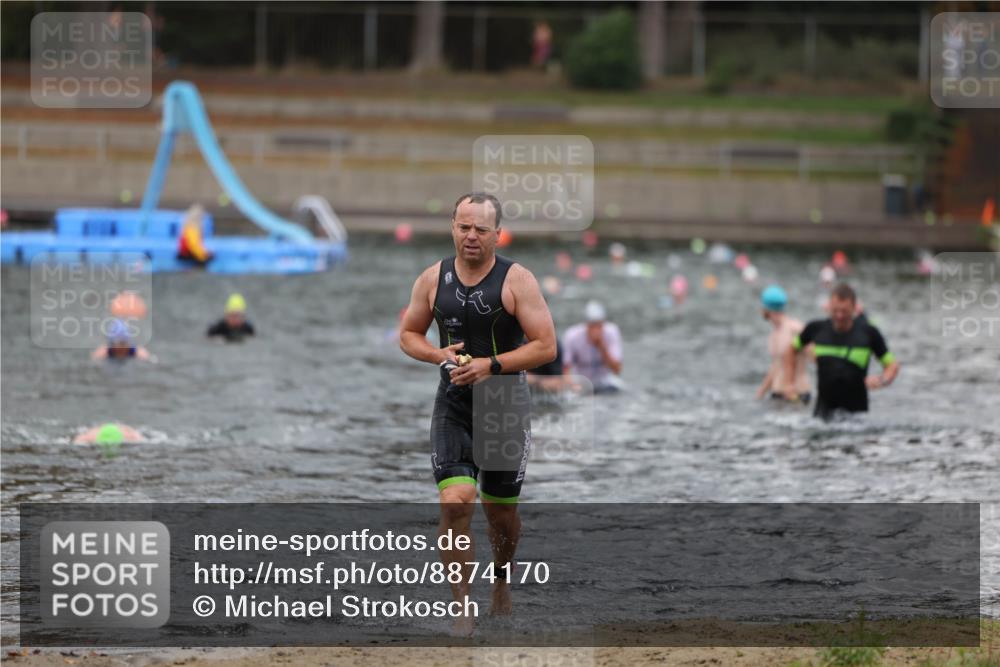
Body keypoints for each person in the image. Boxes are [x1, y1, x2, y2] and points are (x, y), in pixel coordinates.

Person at [399, 192, 556, 635]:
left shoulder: (517, 280)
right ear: (452, 227)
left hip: (504, 407)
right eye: (464, 227)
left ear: (496, 234)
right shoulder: (432, 278)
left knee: (500, 513)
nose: (471, 236)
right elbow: (408, 334)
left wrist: (493, 364)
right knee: (455, 502)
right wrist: (434, 355)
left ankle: (501, 581)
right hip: (453, 404)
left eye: (481, 229)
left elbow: (546, 346)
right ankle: (462, 604)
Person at [784, 283, 900, 420]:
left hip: (857, 415)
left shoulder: (868, 333)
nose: (839, 316)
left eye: (844, 311)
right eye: (835, 310)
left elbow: (892, 365)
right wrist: (789, 383)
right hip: (822, 415)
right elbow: (792, 349)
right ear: (828, 307)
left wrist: (882, 380)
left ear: (854, 308)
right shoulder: (815, 328)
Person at [755, 285, 810, 404]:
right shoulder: (774, 333)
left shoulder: (795, 328)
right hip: (777, 395)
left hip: (797, 395)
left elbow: (815, 355)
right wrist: (761, 392)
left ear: (766, 308)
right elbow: (777, 366)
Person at [562, 301, 624, 393]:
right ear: (586, 325)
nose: (596, 330)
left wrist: (601, 346)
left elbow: (617, 369)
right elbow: (565, 368)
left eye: (599, 325)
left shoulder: (611, 332)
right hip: (582, 381)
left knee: (620, 389)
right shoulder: (573, 336)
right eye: (592, 325)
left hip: (605, 380)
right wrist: (571, 385)